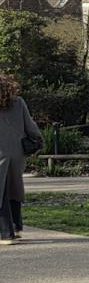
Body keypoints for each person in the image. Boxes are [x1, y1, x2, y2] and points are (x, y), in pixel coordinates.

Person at [0, 72, 42, 246]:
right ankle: (17, 227)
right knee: (13, 187)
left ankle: (6, 234)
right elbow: (30, 126)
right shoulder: (19, 102)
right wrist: (38, 141)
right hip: (17, 152)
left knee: (0, 191)